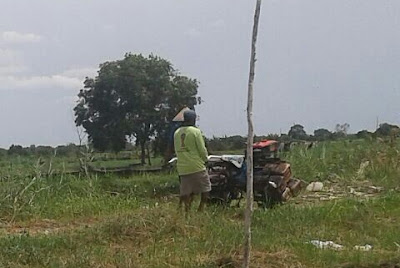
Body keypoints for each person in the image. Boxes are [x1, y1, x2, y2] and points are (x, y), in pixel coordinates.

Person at [174, 109, 211, 212]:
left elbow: (176, 149)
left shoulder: (176, 132)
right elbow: (202, 149)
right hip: (197, 166)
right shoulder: (195, 131)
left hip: (182, 168)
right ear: (193, 119)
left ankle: (187, 212)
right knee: (206, 188)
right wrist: (205, 160)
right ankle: (200, 209)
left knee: (186, 192)